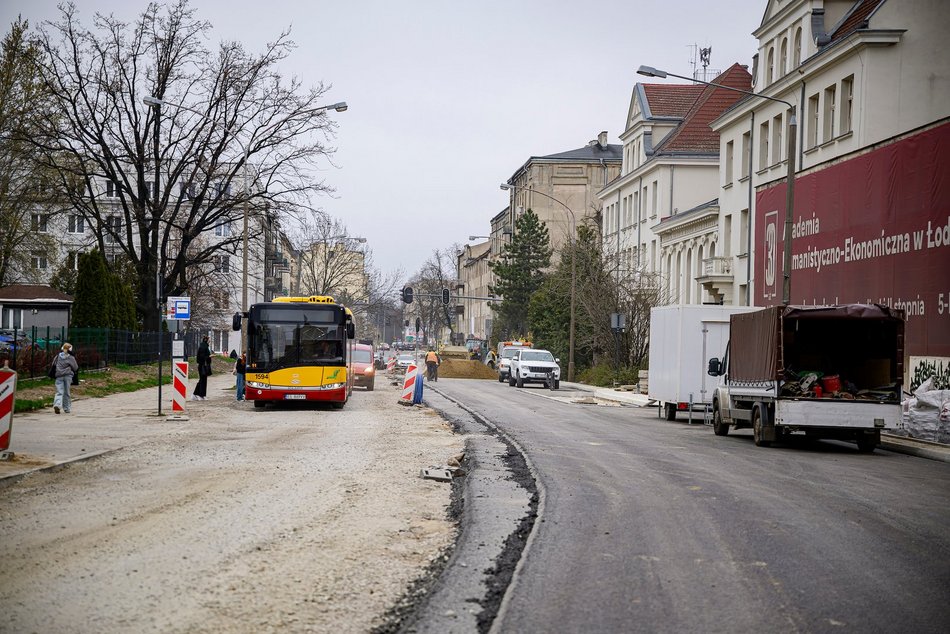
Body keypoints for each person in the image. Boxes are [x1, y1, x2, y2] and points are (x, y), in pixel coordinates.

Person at [52, 342, 79, 414]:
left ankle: (57, 405)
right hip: (68, 376)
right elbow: (75, 367)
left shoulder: (57, 356)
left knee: (59, 392)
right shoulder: (71, 358)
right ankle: (66, 408)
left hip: (59, 376)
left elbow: (53, 364)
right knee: (67, 392)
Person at [193, 335, 211, 400]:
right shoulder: (203, 347)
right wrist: (209, 356)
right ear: (206, 340)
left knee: (202, 380)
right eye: (209, 340)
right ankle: (201, 395)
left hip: (203, 365)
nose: (210, 341)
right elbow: (202, 357)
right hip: (202, 366)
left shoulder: (204, 346)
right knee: (202, 380)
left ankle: (195, 394)